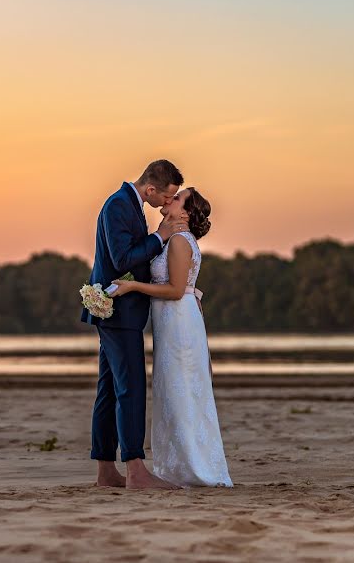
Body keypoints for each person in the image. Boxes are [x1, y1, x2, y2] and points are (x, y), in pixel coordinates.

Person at [111, 187, 233, 488]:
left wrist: (132, 287)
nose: (170, 199)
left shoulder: (179, 241)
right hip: (172, 323)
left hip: (179, 323)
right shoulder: (171, 239)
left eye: (177, 198)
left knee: (182, 391)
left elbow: (177, 290)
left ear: (186, 213)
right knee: (174, 392)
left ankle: (194, 468)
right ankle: (178, 465)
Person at [81, 159, 186, 489]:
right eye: (168, 197)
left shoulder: (129, 204)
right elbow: (122, 259)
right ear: (151, 189)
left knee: (110, 389)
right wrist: (160, 236)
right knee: (130, 389)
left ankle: (106, 471)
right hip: (118, 311)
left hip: (120, 312)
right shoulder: (117, 205)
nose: (168, 204)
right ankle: (136, 470)